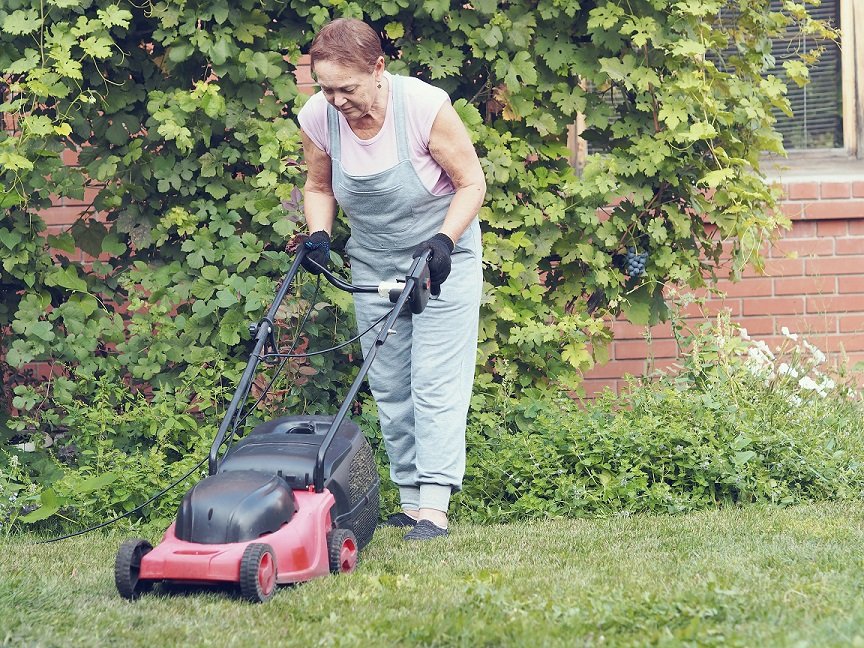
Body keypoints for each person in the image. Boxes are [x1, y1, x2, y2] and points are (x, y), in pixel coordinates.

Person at [296, 18, 485, 541]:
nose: (336, 100)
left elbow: (472, 182)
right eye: (326, 88)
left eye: (347, 88)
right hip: (375, 264)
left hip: (441, 261)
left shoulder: (423, 107)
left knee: (434, 385)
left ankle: (435, 507)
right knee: (390, 384)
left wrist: (445, 241)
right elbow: (319, 186)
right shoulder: (320, 117)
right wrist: (318, 234)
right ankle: (407, 500)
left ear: (379, 69)